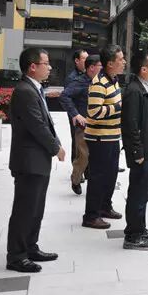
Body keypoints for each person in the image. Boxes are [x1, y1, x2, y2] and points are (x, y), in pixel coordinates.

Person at [6, 48, 66, 273]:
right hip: (28, 161)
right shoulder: (25, 91)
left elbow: (45, 121)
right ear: (33, 66)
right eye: (46, 63)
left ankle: (30, 247)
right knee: (25, 209)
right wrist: (56, 147)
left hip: (38, 159)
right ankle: (16, 256)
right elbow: (37, 126)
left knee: (36, 208)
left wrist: (55, 142)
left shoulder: (34, 89)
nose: (49, 67)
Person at [122, 51, 148, 250]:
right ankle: (133, 236)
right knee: (138, 193)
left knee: (144, 192)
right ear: (144, 69)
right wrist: (137, 152)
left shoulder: (147, 87)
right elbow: (130, 125)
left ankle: (140, 228)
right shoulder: (134, 91)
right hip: (142, 152)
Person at [82, 44, 125, 230]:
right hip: (99, 138)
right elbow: (94, 112)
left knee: (111, 175)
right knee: (98, 177)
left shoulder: (113, 80)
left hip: (112, 136)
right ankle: (91, 216)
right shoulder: (99, 83)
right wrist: (119, 107)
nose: (124, 62)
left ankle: (105, 207)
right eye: (120, 59)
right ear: (110, 64)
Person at [60, 54, 102, 195]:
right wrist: (75, 114)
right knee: (83, 156)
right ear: (91, 68)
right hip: (84, 126)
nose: (102, 68)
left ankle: (94, 182)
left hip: (100, 126)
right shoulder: (79, 82)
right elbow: (64, 96)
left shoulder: (102, 81)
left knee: (98, 157)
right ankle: (76, 179)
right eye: (100, 66)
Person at [64, 49, 88, 169]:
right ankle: (77, 169)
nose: (87, 60)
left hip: (86, 114)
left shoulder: (89, 75)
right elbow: (66, 98)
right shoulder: (72, 77)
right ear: (77, 61)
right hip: (76, 115)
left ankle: (86, 168)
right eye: (84, 58)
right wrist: (74, 114)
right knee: (76, 141)